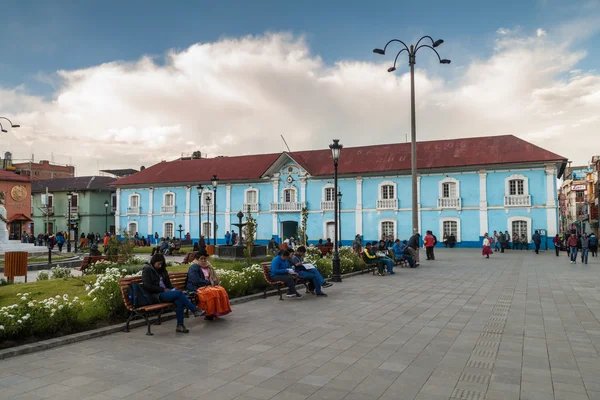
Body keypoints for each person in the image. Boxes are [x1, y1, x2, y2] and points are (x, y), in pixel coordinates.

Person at [142, 254, 206, 333]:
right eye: (158, 263)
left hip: (166, 293)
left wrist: (172, 289)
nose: (160, 265)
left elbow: (168, 283)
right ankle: (194, 309)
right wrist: (163, 289)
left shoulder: (162, 270)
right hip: (156, 295)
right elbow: (147, 286)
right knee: (179, 294)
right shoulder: (147, 269)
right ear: (153, 262)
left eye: (161, 264)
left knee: (179, 301)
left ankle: (180, 325)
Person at [186, 251, 232, 320]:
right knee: (211, 293)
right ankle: (208, 314)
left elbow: (212, 278)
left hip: (207, 285)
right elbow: (195, 280)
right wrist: (209, 283)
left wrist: (212, 283)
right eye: (202, 259)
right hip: (195, 286)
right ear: (197, 259)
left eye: (205, 259)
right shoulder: (194, 267)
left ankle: (216, 312)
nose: (204, 260)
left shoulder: (208, 266)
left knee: (221, 290)